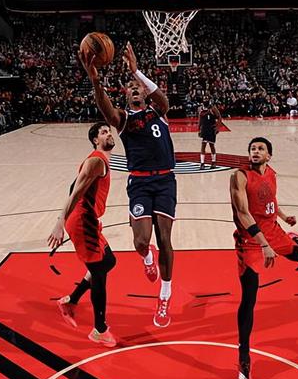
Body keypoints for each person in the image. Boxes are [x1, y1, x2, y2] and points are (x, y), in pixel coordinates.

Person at [79, 42, 176, 327]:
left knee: (165, 239)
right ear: (125, 95)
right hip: (140, 183)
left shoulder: (159, 111)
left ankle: (164, 296)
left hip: (165, 180)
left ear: (145, 92)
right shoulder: (123, 120)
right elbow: (105, 108)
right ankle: (147, 258)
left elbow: (163, 99)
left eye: (138, 87)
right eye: (130, 87)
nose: (134, 89)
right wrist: (95, 80)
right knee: (141, 242)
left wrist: (137, 71)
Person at [230, 137, 298, 379]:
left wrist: (284, 217)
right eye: (252, 149)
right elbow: (243, 213)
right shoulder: (239, 176)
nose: (255, 152)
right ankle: (244, 360)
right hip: (251, 240)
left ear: (269, 156)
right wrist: (264, 244)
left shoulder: (272, 174)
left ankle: (291, 239)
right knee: (250, 298)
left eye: (260, 149)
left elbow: (271, 201)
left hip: (274, 231)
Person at [48, 122, 118, 347]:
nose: (109, 134)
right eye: (104, 132)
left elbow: (74, 186)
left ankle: (71, 301)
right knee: (99, 272)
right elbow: (75, 191)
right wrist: (60, 221)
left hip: (88, 218)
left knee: (108, 261)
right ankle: (99, 329)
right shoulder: (97, 160)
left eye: (109, 131)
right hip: (82, 221)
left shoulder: (99, 160)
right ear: (95, 140)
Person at [198, 99, 223, 170]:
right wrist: (199, 129)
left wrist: (217, 128)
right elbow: (200, 120)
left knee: (211, 145)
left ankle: (213, 162)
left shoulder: (213, 108)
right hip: (204, 129)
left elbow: (219, 117)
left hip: (211, 129)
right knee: (203, 145)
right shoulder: (201, 109)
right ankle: (202, 163)